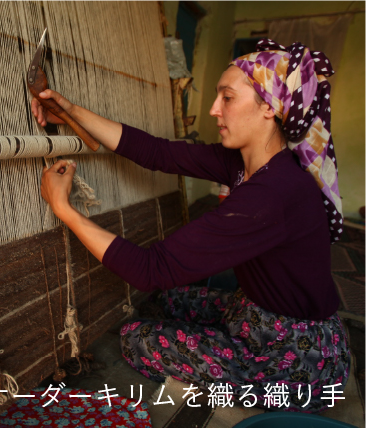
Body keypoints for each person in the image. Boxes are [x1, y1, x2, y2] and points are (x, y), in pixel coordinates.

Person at [31, 39, 349, 413]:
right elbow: (158, 152)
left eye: (227, 98)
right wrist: (71, 111)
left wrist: (63, 208)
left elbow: (152, 270)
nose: (214, 110)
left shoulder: (273, 193)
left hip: (296, 354)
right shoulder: (245, 162)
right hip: (253, 311)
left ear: (269, 106)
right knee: (168, 301)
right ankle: (225, 341)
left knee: (138, 339)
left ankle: (278, 386)